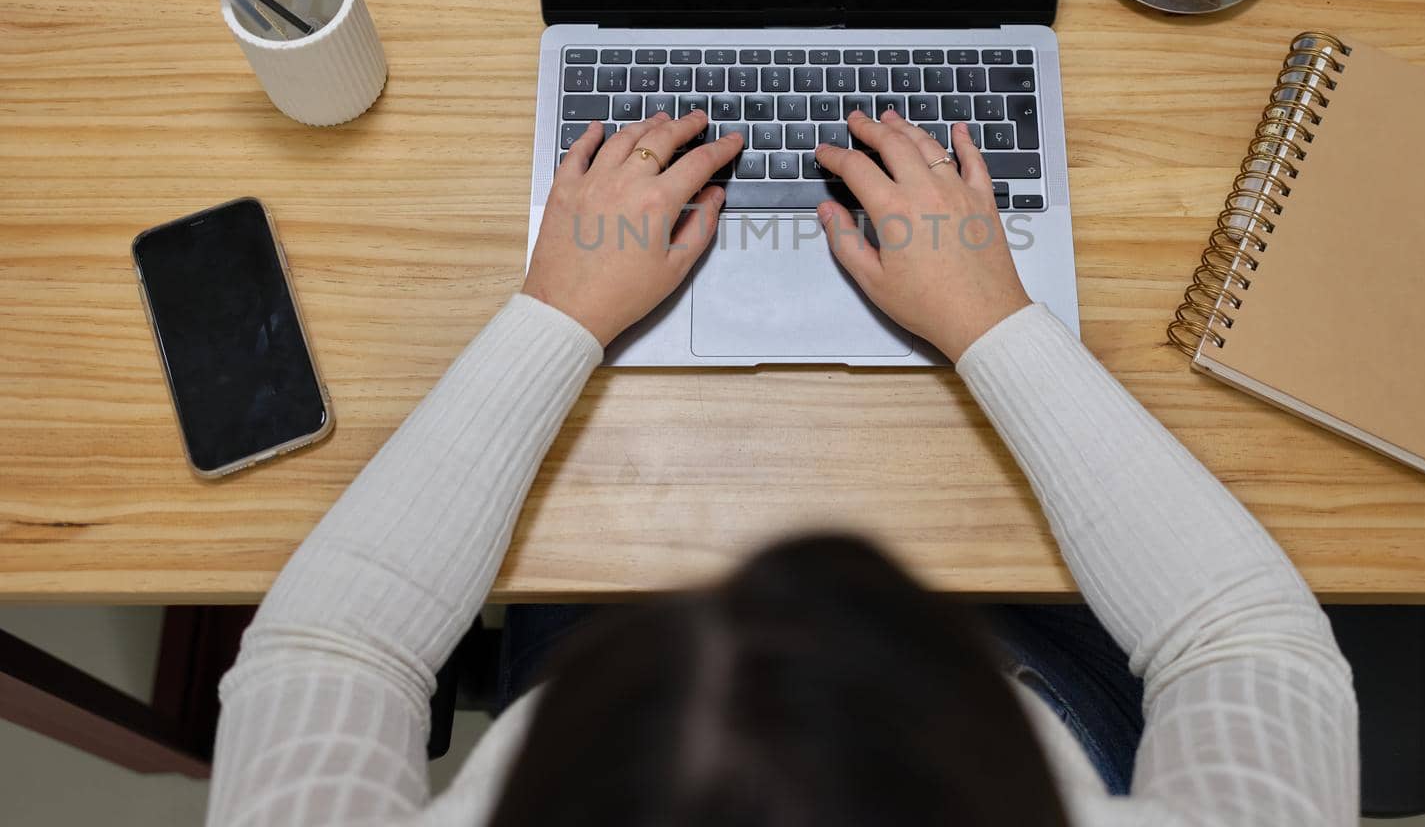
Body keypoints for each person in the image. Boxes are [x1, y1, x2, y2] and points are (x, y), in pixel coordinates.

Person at [206, 109, 1358, 827]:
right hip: (1023, 664)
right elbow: (1245, 643)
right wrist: (990, 320)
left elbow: (335, 646)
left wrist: (559, 311)